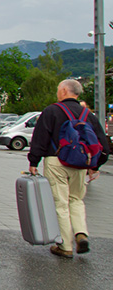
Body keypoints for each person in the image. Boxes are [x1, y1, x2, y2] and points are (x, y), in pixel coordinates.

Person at [28, 79, 110, 258]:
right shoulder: (88, 115)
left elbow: (40, 138)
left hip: (56, 161)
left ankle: (65, 246)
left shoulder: (52, 111)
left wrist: (33, 161)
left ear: (64, 91)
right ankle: (81, 233)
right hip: (80, 163)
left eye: (59, 89)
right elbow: (103, 145)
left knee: (61, 203)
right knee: (76, 200)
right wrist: (94, 166)